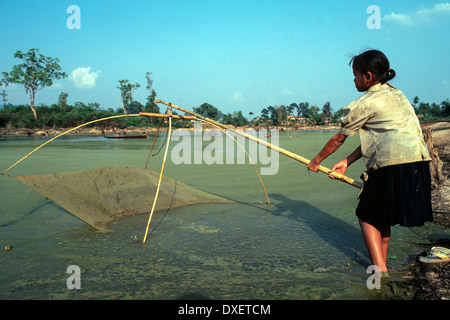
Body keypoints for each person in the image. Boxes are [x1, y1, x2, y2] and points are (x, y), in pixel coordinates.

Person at [307, 49, 432, 276]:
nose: (353, 79)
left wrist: (316, 161)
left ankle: (378, 270)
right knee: (380, 216)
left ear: (368, 77)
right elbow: (378, 138)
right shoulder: (396, 94)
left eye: (355, 74)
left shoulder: (366, 103)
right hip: (418, 164)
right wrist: (346, 161)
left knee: (366, 214)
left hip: (393, 165)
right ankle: (382, 265)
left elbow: (338, 138)